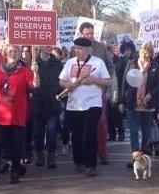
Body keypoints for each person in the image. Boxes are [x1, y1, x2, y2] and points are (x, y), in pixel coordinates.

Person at [0, 44, 40, 185]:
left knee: (17, 146)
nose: (14, 53)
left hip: (18, 116)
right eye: (11, 51)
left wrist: (35, 72)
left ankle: (15, 172)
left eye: (16, 51)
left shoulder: (25, 71)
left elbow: (35, 87)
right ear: (5, 54)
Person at [59, 37, 111, 177]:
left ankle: (91, 165)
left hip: (93, 103)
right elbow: (61, 81)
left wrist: (94, 80)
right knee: (76, 134)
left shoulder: (98, 62)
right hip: (74, 105)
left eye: (80, 49)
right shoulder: (70, 63)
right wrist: (67, 85)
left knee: (90, 133)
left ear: (88, 50)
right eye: (76, 48)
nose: (78, 51)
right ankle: (78, 162)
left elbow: (108, 81)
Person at [73, 22, 116, 164]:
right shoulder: (75, 49)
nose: (90, 36)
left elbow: (110, 66)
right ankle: (85, 155)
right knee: (83, 126)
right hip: (79, 95)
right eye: (87, 34)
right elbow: (70, 68)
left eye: (92, 33)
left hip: (98, 92)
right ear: (81, 34)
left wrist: (104, 80)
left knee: (101, 124)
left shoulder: (101, 47)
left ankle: (102, 152)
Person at [119, 42, 159, 167]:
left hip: (147, 105)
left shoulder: (155, 66)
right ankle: (136, 159)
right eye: (144, 53)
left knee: (146, 132)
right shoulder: (132, 64)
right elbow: (124, 83)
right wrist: (121, 101)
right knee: (133, 132)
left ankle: (143, 155)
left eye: (149, 54)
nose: (146, 56)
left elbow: (158, 84)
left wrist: (150, 94)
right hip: (133, 103)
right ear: (140, 52)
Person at [32, 46, 63, 169]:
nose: (49, 48)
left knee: (51, 132)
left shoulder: (57, 64)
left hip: (52, 103)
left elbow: (62, 81)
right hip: (37, 103)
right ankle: (40, 156)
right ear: (40, 47)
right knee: (38, 132)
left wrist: (59, 94)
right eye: (47, 46)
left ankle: (51, 156)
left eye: (51, 46)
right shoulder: (34, 62)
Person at [111, 40, 136, 142]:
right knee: (116, 113)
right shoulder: (120, 61)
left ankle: (121, 132)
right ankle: (118, 132)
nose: (127, 52)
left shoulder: (135, 60)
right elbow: (116, 74)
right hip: (120, 89)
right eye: (125, 50)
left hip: (131, 90)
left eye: (129, 50)